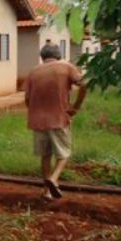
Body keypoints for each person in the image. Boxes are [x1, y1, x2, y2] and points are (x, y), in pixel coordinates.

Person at [24, 44, 87, 200]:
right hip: (58, 118)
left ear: (42, 56)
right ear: (59, 55)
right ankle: (54, 178)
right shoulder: (66, 67)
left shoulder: (33, 72)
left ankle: (46, 191)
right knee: (64, 153)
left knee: (45, 156)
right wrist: (76, 107)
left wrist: (34, 110)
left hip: (37, 121)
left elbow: (26, 99)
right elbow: (84, 84)